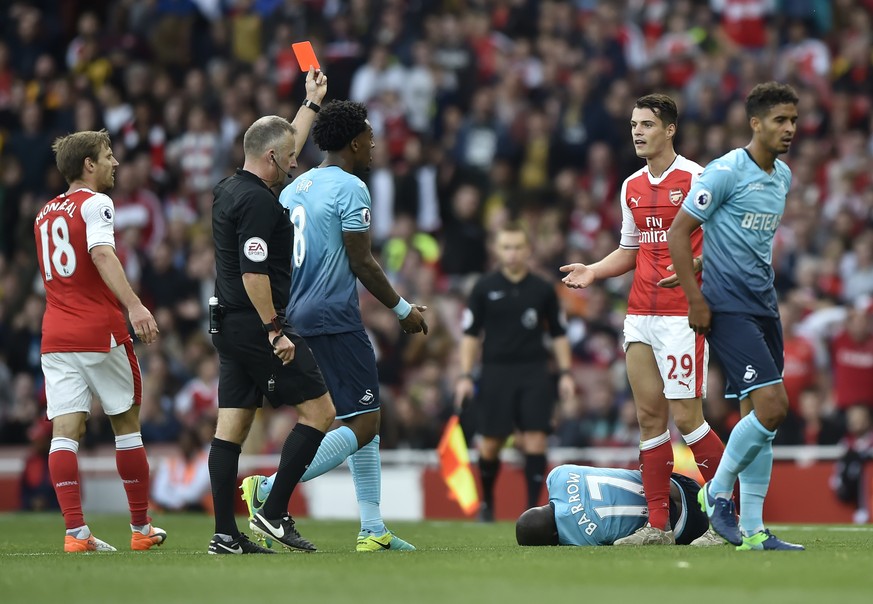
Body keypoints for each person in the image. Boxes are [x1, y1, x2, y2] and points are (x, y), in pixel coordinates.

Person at [240, 100, 428, 552]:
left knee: (356, 418)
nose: (375, 143)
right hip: (334, 319)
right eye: (369, 135)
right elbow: (361, 260)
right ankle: (269, 492)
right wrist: (403, 311)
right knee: (365, 423)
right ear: (355, 141)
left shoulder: (293, 187)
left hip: (298, 316)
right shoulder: (351, 188)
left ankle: (372, 529)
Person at [559, 94, 725, 546]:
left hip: (682, 318)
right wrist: (594, 270)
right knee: (650, 419)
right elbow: (631, 249)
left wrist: (698, 268)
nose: (637, 131)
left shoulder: (696, 178)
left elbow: (724, 241)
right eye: (634, 124)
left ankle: (729, 518)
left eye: (647, 124)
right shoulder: (631, 185)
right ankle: (656, 526)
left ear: (670, 129)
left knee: (688, 418)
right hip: (639, 315)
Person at [667, 81, 805, 551]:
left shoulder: (782, 176)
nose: (789, 128)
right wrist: (695, 297)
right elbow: (678, 231)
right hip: (726, 307)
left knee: (758, 419)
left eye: (793, 120)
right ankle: (715, 492)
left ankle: (752, 531)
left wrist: (706, 263)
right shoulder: (726, 170)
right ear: (755, 123)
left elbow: (741, 240)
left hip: (765, 306)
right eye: (779, 120)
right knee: (773, 407)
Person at [208, 68, 336, 555]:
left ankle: (225, 534)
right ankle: (274, 510)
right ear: (271, 159)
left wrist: (311, 103)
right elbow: (254, 274)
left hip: (226, 322)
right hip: (254, 322)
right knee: (320, 411)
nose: (295, 164)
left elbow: (284, 143)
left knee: (232, 427)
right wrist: (274, 330)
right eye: (289, 159)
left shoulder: (230, 188)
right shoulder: (262, 205)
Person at [34, 129, 166, 552]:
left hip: (55, 334)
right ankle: (141, 528)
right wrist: (136, 306)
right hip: (98, 331)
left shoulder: (43, 214)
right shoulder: (97, 203)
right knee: (126, 427)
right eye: (108, 156)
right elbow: (102, 253)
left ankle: (76, 533)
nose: (116, 163)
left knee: (64, 433)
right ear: (88, 164)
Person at [454, 222, 575, 521]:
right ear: (497, 250)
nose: (512, 253)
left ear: (528, 250)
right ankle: (488, 505)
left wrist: (566, 373)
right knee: (491, 442)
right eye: (506, 247)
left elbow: (559, 333)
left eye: (518, 247)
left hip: (534, 370)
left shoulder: (543, 289)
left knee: (536, 439)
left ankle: (533, 509)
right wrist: (465, 376)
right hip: (496, 370)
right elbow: (470, 335)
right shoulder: (484, 288)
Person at [515, 464, 709, 546]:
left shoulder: (577, 539)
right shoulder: (559, 475)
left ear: (553, 537)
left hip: (685, 528)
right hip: (680, 485)